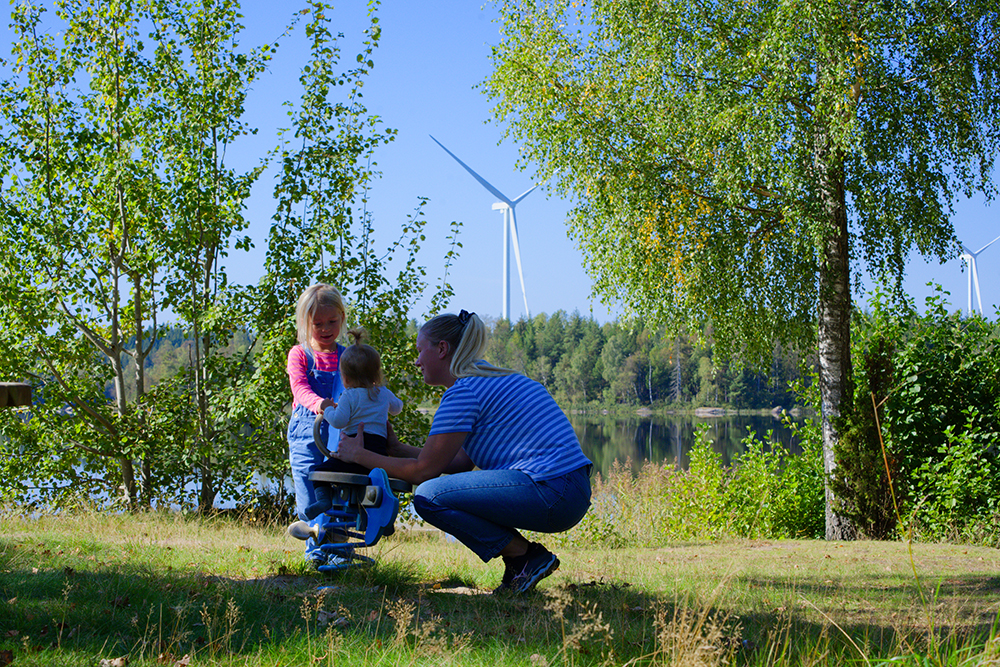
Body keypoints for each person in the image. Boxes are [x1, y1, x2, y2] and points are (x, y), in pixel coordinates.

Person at [333, 310, 592, 595]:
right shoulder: (490, 380)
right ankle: (523, 561)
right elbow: (458, 463)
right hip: (569, 488)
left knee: (428, 495)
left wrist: (360, 456)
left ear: (442, 349)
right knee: (437, 491)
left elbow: (425, 472)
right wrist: (395, 449)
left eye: (420, 351)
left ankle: (525, 557)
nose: (417, 361)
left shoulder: (464, 391)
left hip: (552, 489)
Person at [304, 327, 404, 520]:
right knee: (369, 481)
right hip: (378, 453)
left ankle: (324, 500)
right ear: (376, 374)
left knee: (318, 472)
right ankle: (374, 512)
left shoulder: (349, 396)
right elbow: (397, 407)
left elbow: (339, 421)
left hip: (352, 452)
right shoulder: (382, 392)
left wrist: (327, 409)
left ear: (345, 377)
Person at [284, 283, 347, 566]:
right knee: (310, 493)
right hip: (305, 433)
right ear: (305, 323)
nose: (325, 328)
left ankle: (337, 550)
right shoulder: (300, 354)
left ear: (342, 318)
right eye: (317, 323)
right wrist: (319, 403)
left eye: (332, 321)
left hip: (339, 434)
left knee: (339, 489)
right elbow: (299, 388)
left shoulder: (348, 356)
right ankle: (315, 551)